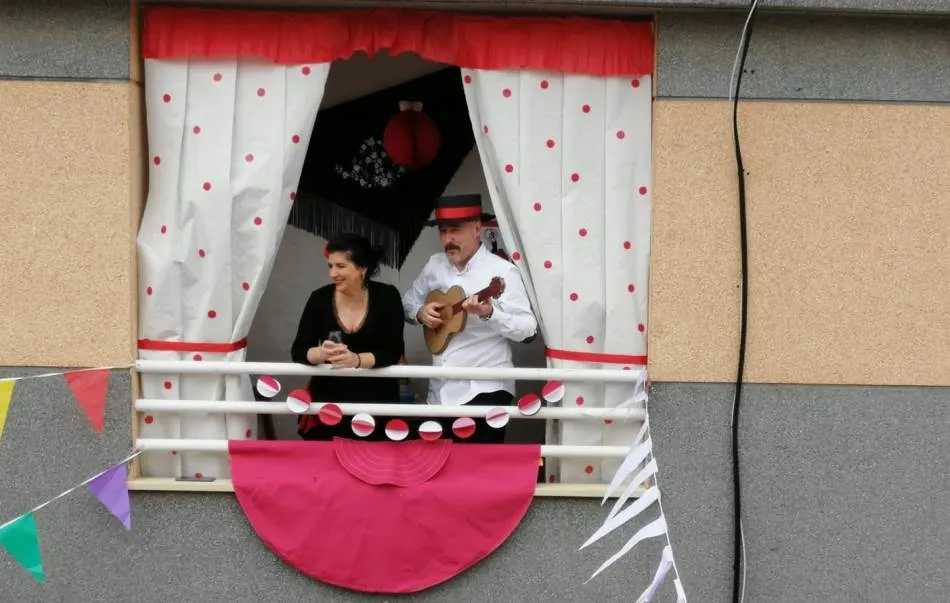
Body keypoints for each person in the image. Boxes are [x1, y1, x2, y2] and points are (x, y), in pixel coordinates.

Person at [402, 194, 538, 443]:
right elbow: (407, 303)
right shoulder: (434, 265)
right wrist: (420, 313)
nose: (448, 240)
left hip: (486, 391)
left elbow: (528, 330)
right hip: (439, 392)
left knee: (478, 465)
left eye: (455, 230)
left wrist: (490, 314)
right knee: (435, 463)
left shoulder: (502, 271)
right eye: (443, 232)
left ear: (477, 229)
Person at [291, 233, 405, 441]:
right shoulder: (319, 298)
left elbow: (393, 351)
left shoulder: (388, 297)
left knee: (374, 460)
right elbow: (299, 350)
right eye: (330, 266)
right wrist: (321, 353)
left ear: (363, 268)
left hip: (377, 404)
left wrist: (356, 360)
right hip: (328, 406)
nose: (333, 274)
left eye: (341, 266)